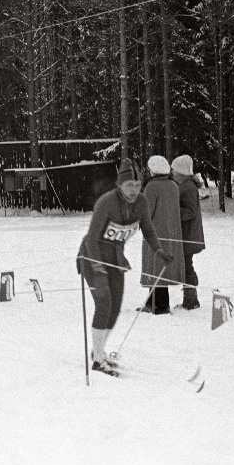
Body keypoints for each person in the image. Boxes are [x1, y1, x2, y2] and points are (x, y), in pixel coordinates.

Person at [76, 159, 174, 377]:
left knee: (115, 307)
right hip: (92, 256)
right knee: (104, 303)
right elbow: (92, 239)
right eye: (129, 185)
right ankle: (98, 361)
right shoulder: (106, 202)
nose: (133, 190)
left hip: (116, 259)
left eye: (137, 185)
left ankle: (98, 351)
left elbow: (148, 228)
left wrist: (159, 251)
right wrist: (98, 269)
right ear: (119, 184)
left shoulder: (141, 202)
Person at [138, 156, 185, 315]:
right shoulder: (173, 185)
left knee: (154, 266)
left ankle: (159, 305)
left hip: (155, 233)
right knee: (160, 267)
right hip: (171, 232)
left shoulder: (152, 186)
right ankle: (154, 303)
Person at [172, 155, 205, 310]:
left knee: (187, 266)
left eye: (174, 170)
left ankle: (191, 300)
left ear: (181, 171)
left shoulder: (188, 187)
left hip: (189, 234)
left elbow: (190, 211)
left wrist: (173, 211)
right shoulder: (183, 185)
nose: (172, 172)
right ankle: (189, 298)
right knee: (185, 266)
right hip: (185, 233)